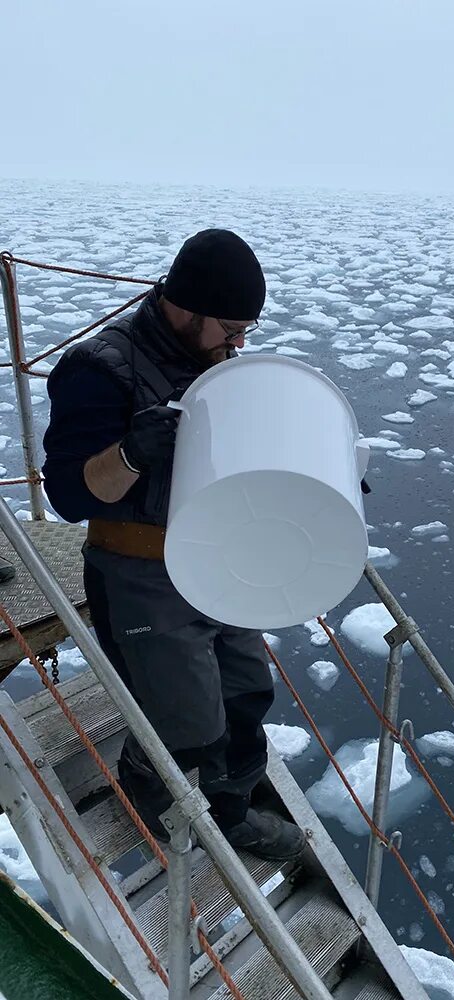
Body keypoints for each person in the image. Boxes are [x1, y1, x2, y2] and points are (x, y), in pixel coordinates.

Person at [42, 229, 305, 860]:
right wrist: (133, 452)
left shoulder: (217, 363)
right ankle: (149, 784)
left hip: (219, 558)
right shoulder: (99, 369)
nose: (238, 344)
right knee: (191, 724)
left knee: (245, 692)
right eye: (231, 328)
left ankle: (232, 813)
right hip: (138, 570)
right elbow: (68, 496)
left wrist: (314, 471)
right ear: (186, 306)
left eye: (247, 331)